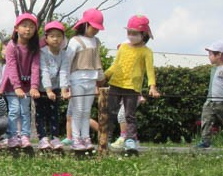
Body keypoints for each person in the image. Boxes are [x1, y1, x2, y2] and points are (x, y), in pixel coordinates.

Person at [103, 14, 159, 151]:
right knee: (109, 112)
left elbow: (149, 71)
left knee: (129, 115)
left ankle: (130, 139)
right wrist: (104, 77)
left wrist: (152, 87)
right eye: (129, 32)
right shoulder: (122, 47)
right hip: (116, 84)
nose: (131, 36)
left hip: (132, 88)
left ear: (143, 34)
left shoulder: (146, 52)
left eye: (134, 33)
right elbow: (115, 65)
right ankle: (105, 138)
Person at [0, 13, 41, 148]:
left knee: (25, 110)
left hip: (27, 86)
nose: (28, 29)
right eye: (24, 26)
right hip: (12, 85)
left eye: (31, 27)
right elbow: (11, 66)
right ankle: (12, 136)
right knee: (14, 110)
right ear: (16, 28)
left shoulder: (34, 47)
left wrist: (34, 86)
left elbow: (35, 66)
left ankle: (25, 136)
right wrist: (17, 86)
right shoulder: (12, 46)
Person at [67, 8, 105, 150]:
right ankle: (76, 138)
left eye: (97, 28)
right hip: (77, 80)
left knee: (86, 111)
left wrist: (100, 79)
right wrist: (66, 84)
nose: (96, 31)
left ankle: (86, 138)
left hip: (91, 80)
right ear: (86, 25)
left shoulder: (96, 41)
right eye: (94, 28)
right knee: (78, 110)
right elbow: (68, 62)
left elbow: (97, 61)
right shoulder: (75, 41)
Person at [197, 41, 223, 148]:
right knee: (206, 120)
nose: (209, 57)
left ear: (220, 55)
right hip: (210, 100)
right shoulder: (213, 69)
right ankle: (205, 141)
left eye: (211, 54)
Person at [37, 20, 70, 150]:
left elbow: (63, 72)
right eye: (52, 36)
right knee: (40, 114)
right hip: (41, 89)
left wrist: (63, 90)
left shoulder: (64, 54)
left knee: (54, 113)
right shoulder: (42, 52)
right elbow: (43, 71)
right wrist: (48, 90)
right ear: (46, 38)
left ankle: (55, 138)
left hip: (56, 88)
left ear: (63, 38)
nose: (55, 39)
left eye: (58, 36)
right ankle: (42, 138)